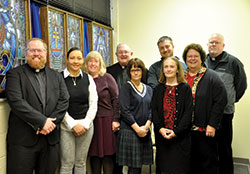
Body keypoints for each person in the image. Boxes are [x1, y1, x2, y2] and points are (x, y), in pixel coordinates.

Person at [5, 38, 69, 174]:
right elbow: (16, 102)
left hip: (50, 140)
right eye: (32, 50)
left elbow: (64, 100)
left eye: (39, 50)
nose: (36, 53)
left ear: (46, 53)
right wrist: (42, 122)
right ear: (26, 53)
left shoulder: (56, 76)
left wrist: (50, 124)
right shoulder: (14, 74)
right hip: (23, 141)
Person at [182, 43, 227, 174]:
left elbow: (221, 101)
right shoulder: (181, 77)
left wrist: (212, 124)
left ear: (202, 58)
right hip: (185, 131)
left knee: (207, 164)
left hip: (204, 129)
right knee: (189, 163)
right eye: (189, 56)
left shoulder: (212, 76)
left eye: (195, 56)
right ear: (185, 59)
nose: (192, 59)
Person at [206, 33, 247, 174]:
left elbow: (241, 85)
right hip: (207, 113)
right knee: (209, 146)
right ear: (207, 45)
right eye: (211, 42)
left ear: (223, 45)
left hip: (225, 113)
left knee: (224, 146)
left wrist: (230, 99)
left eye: (216, 42)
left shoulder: (233, 62)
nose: (213, 45)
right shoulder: (203, 62)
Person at [60, 47, 98, 174]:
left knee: (81, 162)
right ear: (67, 60)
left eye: (79, 58)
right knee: (67, 163)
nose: (75, 61)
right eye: (72, 58)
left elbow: (93, 103)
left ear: (83, 61)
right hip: (65, 126)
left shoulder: (88, 78)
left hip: (86, 126)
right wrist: (72, 125)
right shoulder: (59, 78)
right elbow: (58, 105)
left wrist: (85, 124)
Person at [152, 56, 193, 174]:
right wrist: (160, 129)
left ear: (177, 70)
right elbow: (154, 110)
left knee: (179, 169)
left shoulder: (185, 88)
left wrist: (176, 131)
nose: (168, 69)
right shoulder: (158, 89)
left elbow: (188, 112)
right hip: (162, 137)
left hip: (181, 138)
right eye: (166, 67)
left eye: (172, 66)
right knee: (164, 169)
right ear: (163, 70)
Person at [84, 51, 120, 174]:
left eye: (96, 61)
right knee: (94, 156)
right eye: (90, 61)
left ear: (100, 64)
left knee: (107, 156)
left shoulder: (107, 78)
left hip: (106, 121)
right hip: (90, 121)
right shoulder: (83, 79)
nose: (93, 64)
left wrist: (116, 119)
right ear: (86, 63)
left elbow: (116, 99)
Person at [116, 58, 153, 174]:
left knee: (139, 166)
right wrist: (138, 129)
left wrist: (146, 127)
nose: (136, 73)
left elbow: (152, 109)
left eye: (138, 70)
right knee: (133, 168)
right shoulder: (126, 88)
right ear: (129, 73)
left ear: (142, 71)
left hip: (144, 131)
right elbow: (125, 111)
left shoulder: (149, 89)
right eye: (132, 71)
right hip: (130, 131)